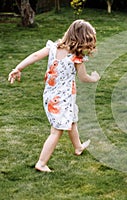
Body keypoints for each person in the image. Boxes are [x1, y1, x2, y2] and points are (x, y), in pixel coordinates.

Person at [8, 19, 100, 172]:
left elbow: (36, 55)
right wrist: (94, 78)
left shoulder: (53, 47)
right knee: (56, 131)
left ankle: (78, 147)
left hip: (51, 95)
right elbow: (84, 78)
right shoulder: (76, 58)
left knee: (71, 121)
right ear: (80, 40)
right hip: (60, 100)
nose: (89, 46)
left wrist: (18, 68)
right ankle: (41, 163)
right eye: (88, 41)